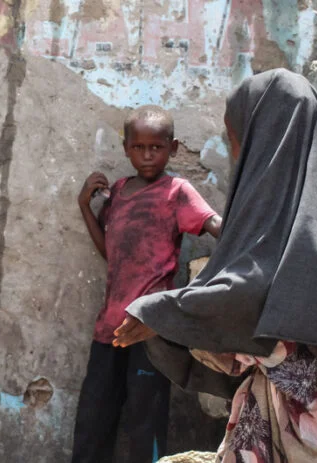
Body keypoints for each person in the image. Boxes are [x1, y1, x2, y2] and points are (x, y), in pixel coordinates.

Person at [114, 69, 317, 462]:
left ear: (264, 141)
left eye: (237, 142)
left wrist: (164, 315)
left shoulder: (274, 221)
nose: (237, 155)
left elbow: (253, 293)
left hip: (311, 431)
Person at [72, 105, 222, 463]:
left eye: (156, 147)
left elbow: (218, 228)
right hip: (109, 330)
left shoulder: (177, 191)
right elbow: (111, 253)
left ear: (173, 148)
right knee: (93, 422)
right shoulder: (120, 191)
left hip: (151, 332)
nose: (148, 155)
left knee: (146, 425)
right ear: (126, 148)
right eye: (138, 147)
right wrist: (85, 207)